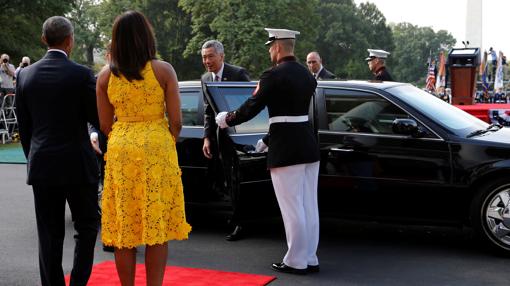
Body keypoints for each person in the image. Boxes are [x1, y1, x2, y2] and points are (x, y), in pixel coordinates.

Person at [96, 11, 191, 285]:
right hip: (156, 146)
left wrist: (126, 135)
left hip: (121, 145)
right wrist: (163, 139)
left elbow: (104, 124)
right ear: (146, 37)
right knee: (156, 226)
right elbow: (176, 120)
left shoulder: (104, 76)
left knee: (125, 227)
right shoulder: (163, 70)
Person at [216, 28, 320, 275]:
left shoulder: (272, 75)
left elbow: (252, 106)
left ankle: (295, 261)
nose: (270, 52)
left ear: (278, 47)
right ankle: (310, 257)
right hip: (306, 144)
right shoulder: (308, 75)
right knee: (308, 205)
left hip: (286, 149)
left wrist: (227, 119)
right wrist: (267, 138)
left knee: (292, 206)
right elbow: (292, 115)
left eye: (270, 47)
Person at [15, 16, 100, 286]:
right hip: (77, 164)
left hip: (42, 164)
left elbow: (24, 125)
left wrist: (34, 157)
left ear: (43, 39)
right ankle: (77, 282)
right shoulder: (82, 74)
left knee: (49, 234)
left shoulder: (25, 75)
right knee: (86, 227)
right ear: (70, 41)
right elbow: (96, 119)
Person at [200, 39, 250, 241]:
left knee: (237, 180)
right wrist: (206, 138)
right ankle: (233, 216)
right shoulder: (205, 78)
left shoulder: (238, 74)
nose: (207, 61)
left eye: (211, 56)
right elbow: (207, 112)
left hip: (238, 138)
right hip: (218, 139)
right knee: (226, 181)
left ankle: (241, 223)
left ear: (221, 56)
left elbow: (248, 105)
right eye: (204, 57)